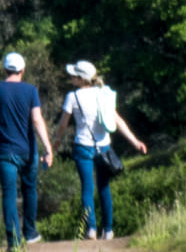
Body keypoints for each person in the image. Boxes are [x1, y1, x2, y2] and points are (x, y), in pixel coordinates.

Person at [59, 60, 149, 240]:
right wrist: (135, 141)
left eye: (74, 75)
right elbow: (117, 121)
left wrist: (55, 143)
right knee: (104, 188)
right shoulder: (103, 94)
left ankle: (91, 229)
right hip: (103, 147)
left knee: (87, 188)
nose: (71, 78)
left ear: (80, 78)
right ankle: (108, 230)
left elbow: (63, 124)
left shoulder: (72, 97)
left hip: (82, 146)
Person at [0, 52, 54, 252]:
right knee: (29, 190)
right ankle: (30, 232)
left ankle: (13, 241)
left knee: (9, 195)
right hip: (28, 150)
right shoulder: (31, 91)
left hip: (5, 150)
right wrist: (48, 147)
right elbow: (37, 120)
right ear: (22, 70)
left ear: (4, 69)